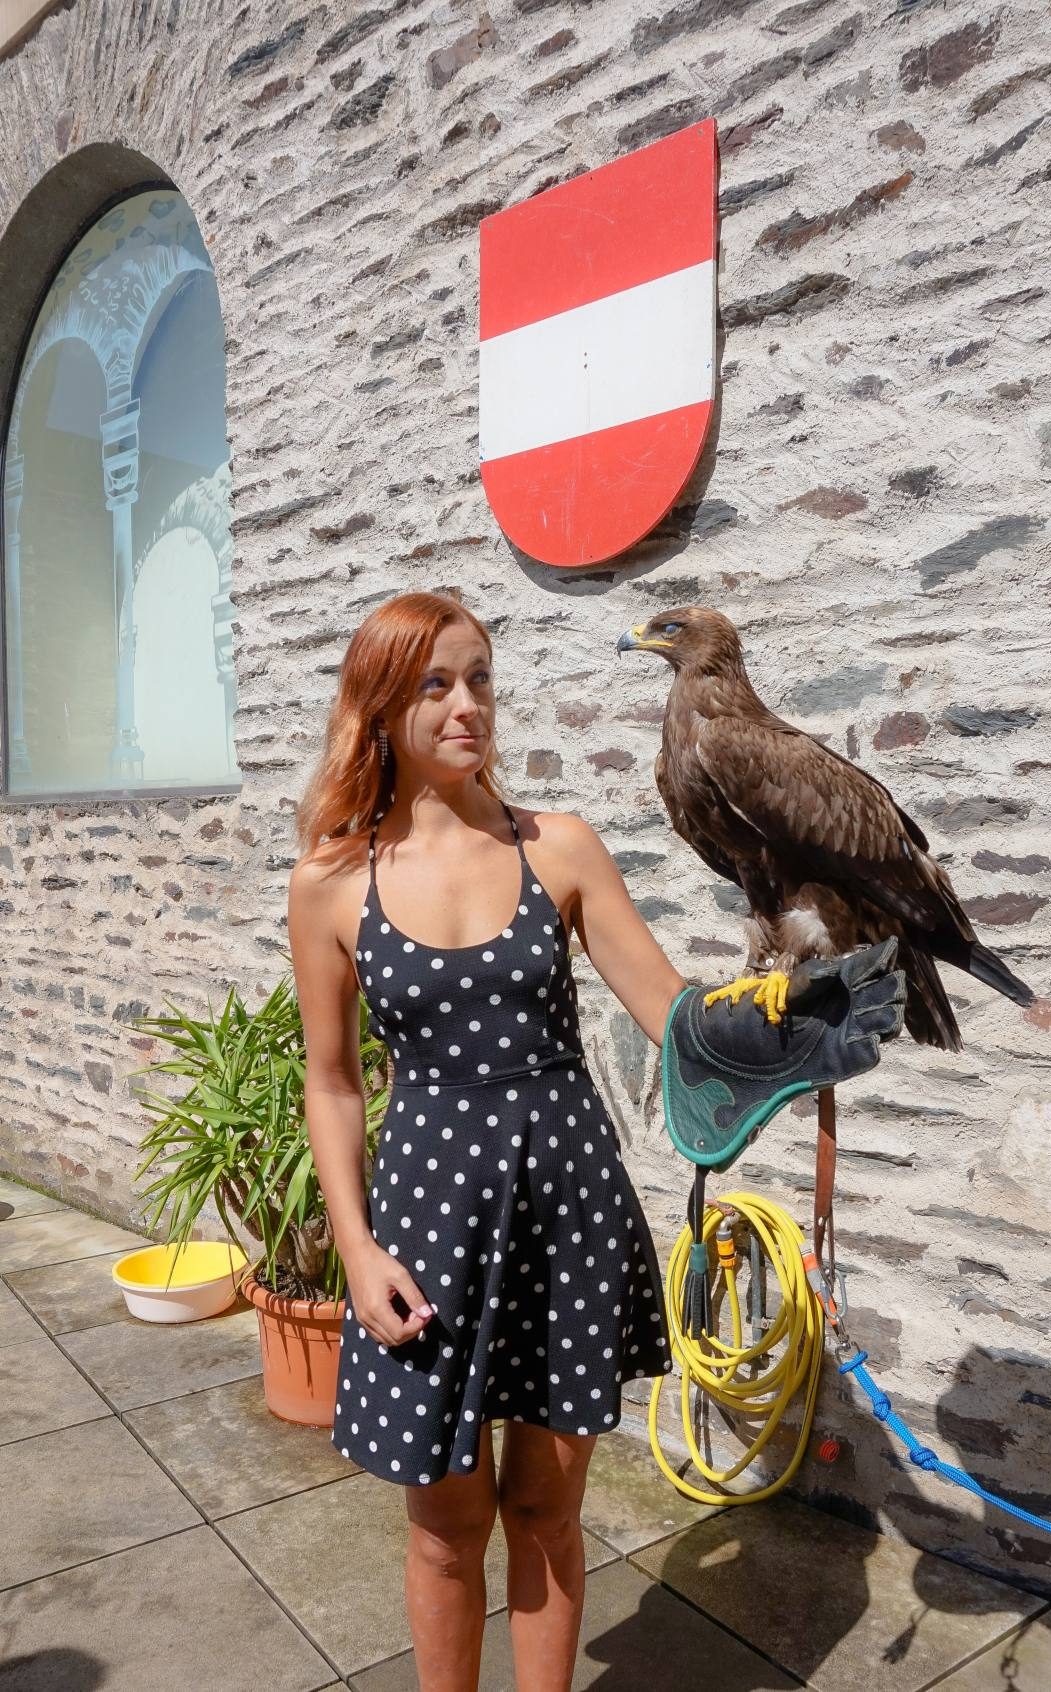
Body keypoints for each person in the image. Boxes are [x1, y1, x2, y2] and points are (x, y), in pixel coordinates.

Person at [287, 590, 686, 1692]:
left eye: (481, 680)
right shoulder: (329, 884)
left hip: (569, 1215)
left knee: (548, 1513)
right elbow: (332, 1084)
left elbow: (675, 1015)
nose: (469, 706)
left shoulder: (559, 848)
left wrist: (786, 1018)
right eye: (435, 684)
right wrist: (355, 1251)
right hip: (426, 1225)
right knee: (444, 1529)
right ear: (379, 706)